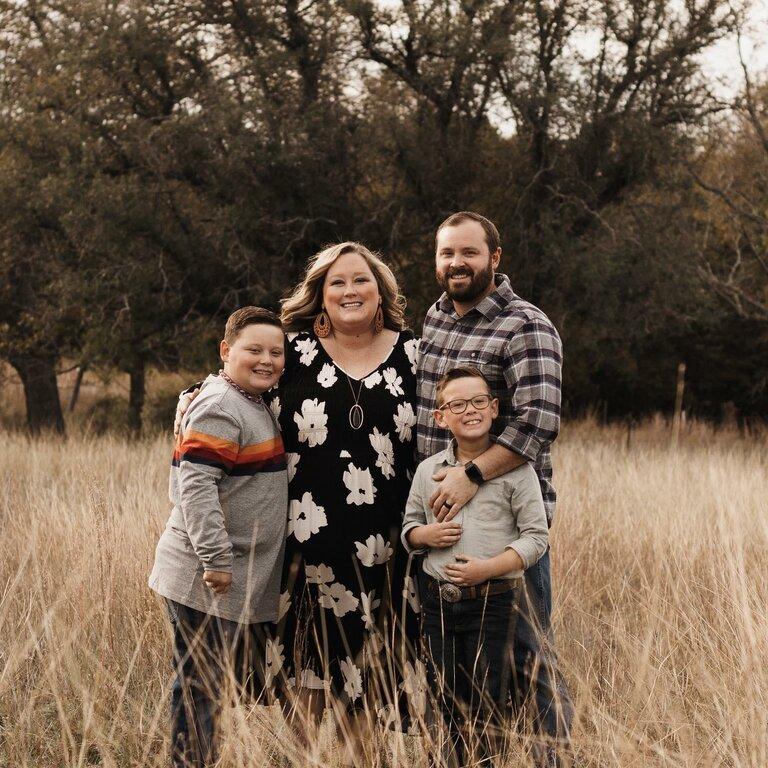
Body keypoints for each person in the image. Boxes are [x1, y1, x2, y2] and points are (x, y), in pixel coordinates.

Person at [175, 243, 421, 758]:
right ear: (320, 295)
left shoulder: (415, 354)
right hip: (301, 543)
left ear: (381, 293)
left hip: (385, 546)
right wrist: (192, 399)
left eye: (361, 281)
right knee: (303, 666)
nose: (350, 290)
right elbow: (237, 380)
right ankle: (306, 758)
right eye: (337, 282)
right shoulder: (294, 352)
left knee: (370, 669)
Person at [416, 212, 573, 765]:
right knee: (456, 667)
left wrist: (472, 475)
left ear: (495, 258)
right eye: (446, 254)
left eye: (469, 253)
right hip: (441, 530)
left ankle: (551, 759)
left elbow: (538, 421)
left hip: (507, 527)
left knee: (527, 657)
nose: (456, 263)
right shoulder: (433, 321)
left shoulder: (525, 324)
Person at [149, 306, 288, 768]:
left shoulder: (247, 398)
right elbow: (196, 487)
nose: (266, 360)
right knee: (199, 687)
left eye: (275, 351)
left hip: (226, 576)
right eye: (254, 350)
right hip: (203, 575)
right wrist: (216, 559)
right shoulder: (220, 406)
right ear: (226, 351)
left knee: (211, 685)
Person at [402, 365, 549, 765]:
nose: (470, 410)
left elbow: (537, 538)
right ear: (440, 416)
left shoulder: (517, 471)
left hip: (495, 600)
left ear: (495, 407)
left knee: (487, 700)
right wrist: (423, 537)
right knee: (443, 696)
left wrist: (488, 568)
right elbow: (410, 525)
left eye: (479, 401)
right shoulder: (427, 471)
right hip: (438, 603)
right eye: (458, 404)